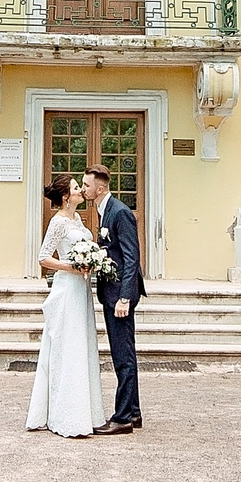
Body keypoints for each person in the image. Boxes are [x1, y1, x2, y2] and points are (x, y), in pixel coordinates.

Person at [25, 176, 104, 438]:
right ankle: (65, 415)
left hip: (81, 289)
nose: (80, 190)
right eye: (75, 188)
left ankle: (86, 412)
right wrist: (71, 266)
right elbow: (43, 257)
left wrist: (92, 261)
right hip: (67, 289)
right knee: (68, 346)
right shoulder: (58, 222)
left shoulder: (78, 220)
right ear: (65, 197)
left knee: (81, 345)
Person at [86, 166, 145, 434]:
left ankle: (122, 418)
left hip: (120, 295)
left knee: (123, 356)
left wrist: (124, 297)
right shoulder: (103, 210)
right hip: (111, 292)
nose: (84, 189)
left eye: (86, 185)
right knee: (123, 353)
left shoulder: (119, 212)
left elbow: (132, 257)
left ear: (99, 189)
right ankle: (133, 413)